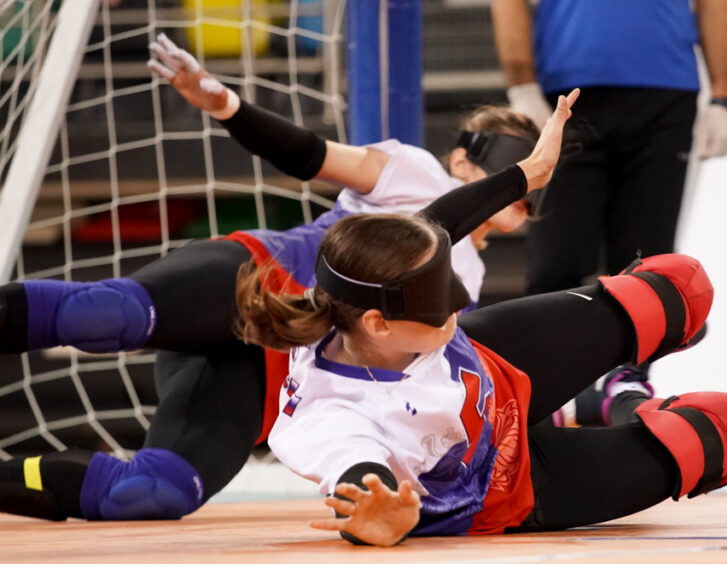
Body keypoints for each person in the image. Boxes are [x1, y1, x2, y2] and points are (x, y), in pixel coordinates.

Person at [0, 36, 553, 523]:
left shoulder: (469, 285)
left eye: (528, 195)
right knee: (107, 315)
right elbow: (309, 154)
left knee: (154, 493)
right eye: (510, 176)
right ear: (461, 160)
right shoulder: (416, 174)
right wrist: (227, 106)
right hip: (253, 285)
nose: (518, 199)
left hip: (276, 371)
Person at [234, 96, 727, 544]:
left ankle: (617, 379)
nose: (453, 301)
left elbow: (439, 221)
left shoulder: (369, 287)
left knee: (680, 287)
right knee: (718, 433)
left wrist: (531, 172)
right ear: (379, 325)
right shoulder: (330, 418)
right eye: (436, 302)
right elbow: (361, 478)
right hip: (501, 485)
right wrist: (379, 518)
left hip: (489, 360)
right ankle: (617, 399)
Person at [491, 0, 727, 423]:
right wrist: (521, 84)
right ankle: (548, 385)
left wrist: (724, 95)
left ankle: (627, 380)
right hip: (567, 94)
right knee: (556, 259)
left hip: (665, 92)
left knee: (646, 258)